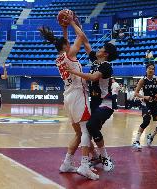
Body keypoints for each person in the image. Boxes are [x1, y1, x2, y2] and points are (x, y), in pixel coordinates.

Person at [39, 16, 99, 180]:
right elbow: (81, 37)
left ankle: (66, 163)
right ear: (66, 47)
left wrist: (64, 28)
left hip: (68, 96)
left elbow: (66, 42)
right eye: (68, 43)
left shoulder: (59, 57)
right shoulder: (70, 53)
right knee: (86, 131)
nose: (70, 44)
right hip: (79, 94)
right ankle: (84, 165)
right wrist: (72, 22)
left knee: (79, 134)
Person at [66, 42, 117, 173]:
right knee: (91, 131)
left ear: (105, 54)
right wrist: (74, 23)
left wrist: (74, 72)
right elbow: (86, 43)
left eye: (101, 48)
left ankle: (105, 157)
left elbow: (94, 77)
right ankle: (93, 157)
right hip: (94, 101)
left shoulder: (106, 66)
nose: (98, 49)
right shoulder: (95, 60)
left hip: (106, 101)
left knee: (91, 126)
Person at [132, 63, 157, 150]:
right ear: (146, 70)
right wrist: (144, 97)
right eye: (149, 69)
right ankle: (136, 141)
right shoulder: (142, 80)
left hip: (155, 104)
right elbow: (136, 93)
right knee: (146, 121)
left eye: (153, 69)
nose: (151, 70)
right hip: (146, 104)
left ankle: (151, 136)